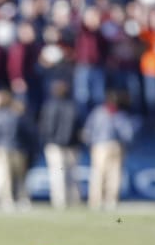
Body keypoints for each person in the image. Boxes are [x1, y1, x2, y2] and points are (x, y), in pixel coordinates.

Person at [81, 90, 139, 210]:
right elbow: (127, 134)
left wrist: (90, 142)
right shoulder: (119, 114)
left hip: (101, 145)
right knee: (114, 174)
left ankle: (97, 201)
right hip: (114, 145)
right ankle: (110, 200)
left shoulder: (98, 112)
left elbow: (88, 131)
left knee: (100, 173)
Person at [39, 80, 81, 209]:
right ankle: (73, 200)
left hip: (55, 145)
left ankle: (60, 201)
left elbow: (46, 127)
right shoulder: (73, 105)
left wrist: (48, 139)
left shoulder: (49, 106)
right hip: (71, 146)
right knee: (71, 175)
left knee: (57, 174)